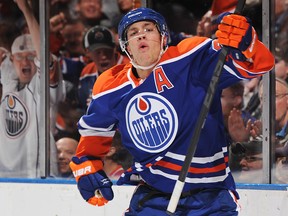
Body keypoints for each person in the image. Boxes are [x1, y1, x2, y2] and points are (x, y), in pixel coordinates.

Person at [69, 7, 274, 214]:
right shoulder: (111, 86)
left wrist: (247, 44)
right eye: (133, 32)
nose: (141, 34)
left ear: (163, 37)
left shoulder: (189, 57)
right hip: (153, 196)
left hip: (210, 196)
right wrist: (88, 168)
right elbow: (93, 135)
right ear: (126, 47)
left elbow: (256, 66)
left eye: (148, 29)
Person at [0, 0, 64, 178]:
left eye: (30, 56)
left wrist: (26, 11)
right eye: (19, 57)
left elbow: (43, 56)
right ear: (11, 60)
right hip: (5, 176)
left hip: (38, 175)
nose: (25, 61)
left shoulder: (43, 86)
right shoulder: (8, 82)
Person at [78, 25, 129, 110]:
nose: (103, 56)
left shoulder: (130, 68)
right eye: (98, 52)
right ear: (88, 52)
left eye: (107, 51)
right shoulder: (87, 73)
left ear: (114, 48)